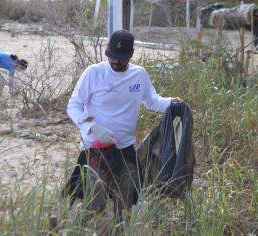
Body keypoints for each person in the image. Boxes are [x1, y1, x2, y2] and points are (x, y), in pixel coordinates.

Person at [66, 29, 182, 218]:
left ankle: (121, 227)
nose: (116, 61)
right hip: (94, 148)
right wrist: (91, 126)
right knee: (95, 203)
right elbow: (74, 106)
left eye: (121, 58)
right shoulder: (94, 73)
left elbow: (152, 101)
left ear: (131, 54)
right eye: (112, 56)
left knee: (127, 199)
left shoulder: (139, 75)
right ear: (107, 50)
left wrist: (172, 103)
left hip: (125, 148)